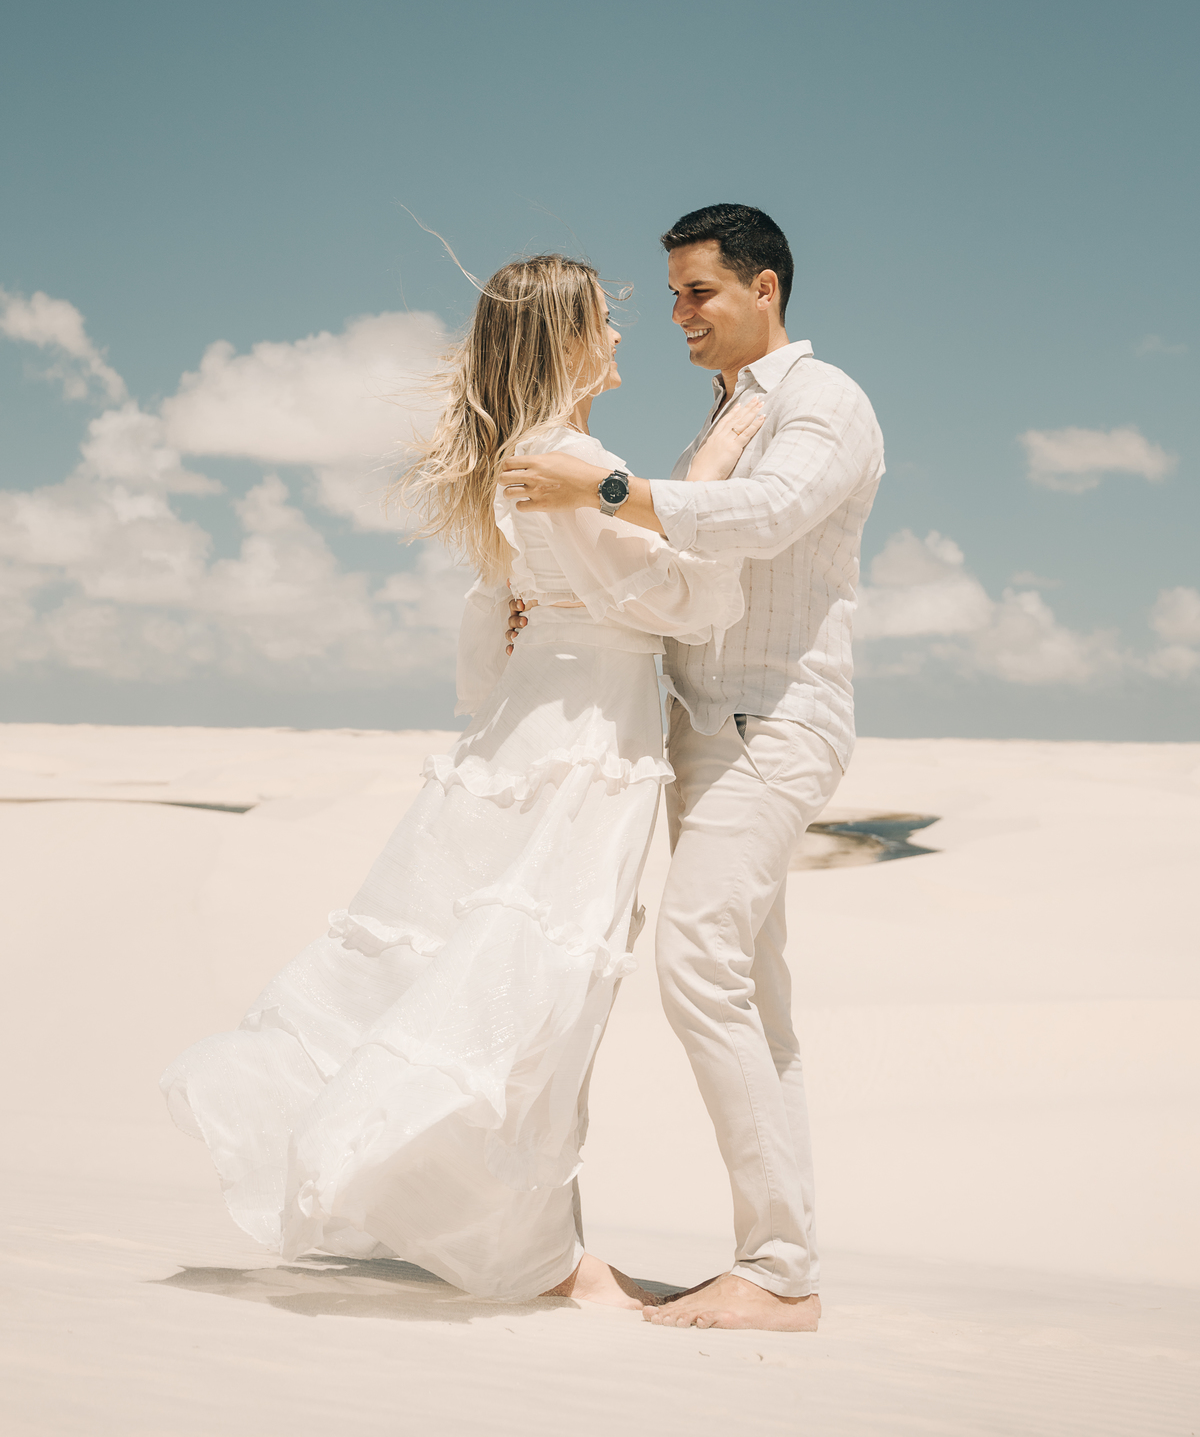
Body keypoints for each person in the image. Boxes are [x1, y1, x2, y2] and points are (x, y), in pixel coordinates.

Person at [160, 252, 762, 1308]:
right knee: (540, 991)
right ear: (565, 338)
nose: (621, 332)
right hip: (582, 748)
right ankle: (543, 1258)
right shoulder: (569, 455)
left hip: (537, 729)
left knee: (509, 974)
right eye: (604, 318)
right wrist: (710, 474)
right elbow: (675, 603)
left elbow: (493, 643)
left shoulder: (525, 455)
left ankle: (530, 1239)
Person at [500, 204, 885, 1332]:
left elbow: (762, 517)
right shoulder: (720, 417)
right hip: (703, 729)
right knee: (755, 998)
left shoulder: (824, 401)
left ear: (766, 288)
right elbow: (665, 574)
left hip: (773, 723)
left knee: (700, 964)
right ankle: (780, 1259)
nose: (676, 314)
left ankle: (781, 1274)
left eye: (698, 291)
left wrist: (605, 491)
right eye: (671, 294)